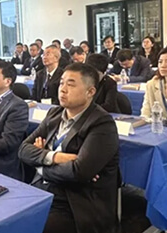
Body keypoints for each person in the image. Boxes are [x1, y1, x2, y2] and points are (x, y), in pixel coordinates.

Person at [18, 63, 120, 233]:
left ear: (90, 92)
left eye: (71, 84)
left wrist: (40, 166)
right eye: (61, 83)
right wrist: (54, 157)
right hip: (43, 189)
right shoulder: (55, 114)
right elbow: (23, 149)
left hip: (77, 201)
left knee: (32, 226)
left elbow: (80, 172)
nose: (63, 89)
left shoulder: (102, 123)